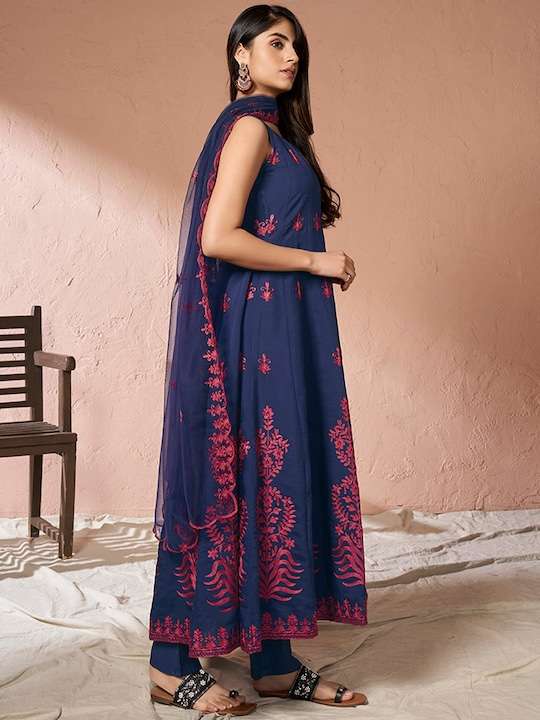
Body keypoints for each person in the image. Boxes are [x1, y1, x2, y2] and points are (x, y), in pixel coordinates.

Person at [148, 4, 368, 715]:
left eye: (296, 45)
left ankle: (273, 661)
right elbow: (217, 237)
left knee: (276, 480)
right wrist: (316, 260)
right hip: (258, 333)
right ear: (240, 54)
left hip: (287, 328)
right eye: (276, 43)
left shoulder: (279, 133)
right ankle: (168, 661)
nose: (292, 55)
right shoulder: (247, 126)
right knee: (235, 476)